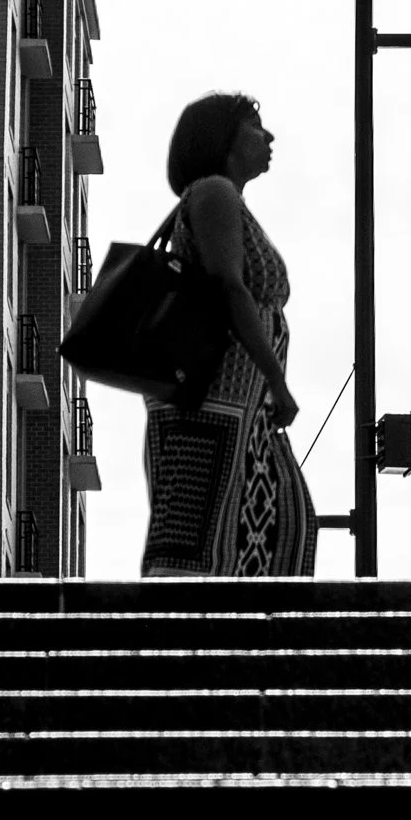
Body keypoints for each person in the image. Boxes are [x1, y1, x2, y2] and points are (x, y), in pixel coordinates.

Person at [141, 92, 316, 577]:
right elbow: (229, 287)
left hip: (241, 407)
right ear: (223, 139)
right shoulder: (213, 192)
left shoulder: (222, 197)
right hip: (213, 402)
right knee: (199, 541)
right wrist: (276, 379)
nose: (269, 136)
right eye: (255, 125)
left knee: (273, 524)